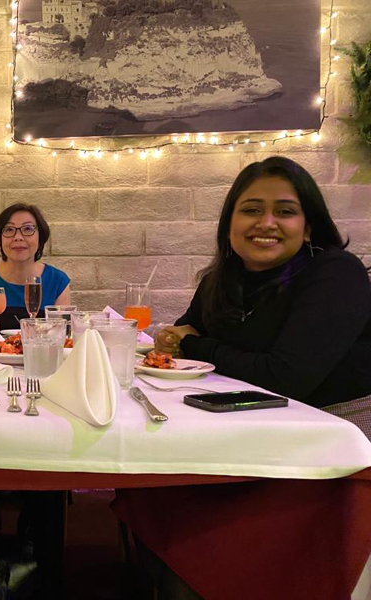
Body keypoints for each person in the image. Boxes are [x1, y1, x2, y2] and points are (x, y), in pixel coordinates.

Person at [155, 156, 371, 438]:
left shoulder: (336, 273)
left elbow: (284, 380)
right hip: (244, 422)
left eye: (285, 212)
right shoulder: (221, 279)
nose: (267, 223)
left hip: (338, 430)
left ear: (307, 228)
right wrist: (172, 341)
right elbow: (182, 340)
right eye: (252, 210)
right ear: (229, 225)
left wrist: (194, 345)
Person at [0, 203, 71, 330]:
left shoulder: (57, 282)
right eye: (9, 230)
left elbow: (61, 335)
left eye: (28, 229)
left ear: (40, 237)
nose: (18, 237)